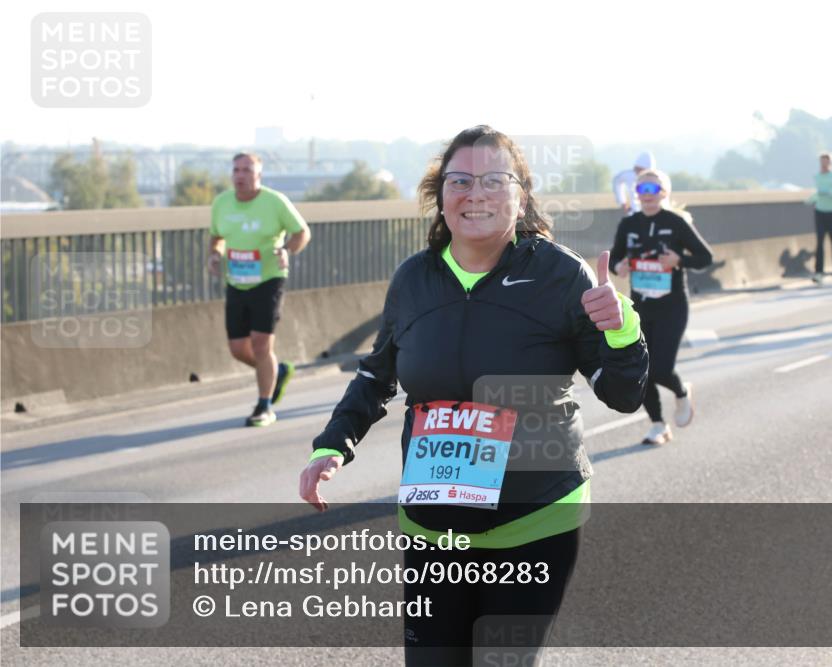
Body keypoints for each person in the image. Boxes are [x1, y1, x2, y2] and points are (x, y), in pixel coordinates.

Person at [300, 126, 648, 666]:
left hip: (535, 518)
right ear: (440, 196)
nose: (474, 193)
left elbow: (622, 395)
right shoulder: (414, 279)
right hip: (434, 526)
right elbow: (376, 376)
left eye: (493, 180)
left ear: (521, 197)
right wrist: (331, 446)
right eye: (459, 181)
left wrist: (622, 329)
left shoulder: (561, 276)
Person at [609, 168, 713, 445]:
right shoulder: (628, 224)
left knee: (661, 368)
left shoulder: (675, 222)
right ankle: (658, 425)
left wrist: (679, 260)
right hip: (640, 307)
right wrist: (618, 266)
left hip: (672, 305)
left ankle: (681, 392)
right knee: (641, 370)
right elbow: (614, 259)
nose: (647, 195)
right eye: (641, 189)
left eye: (653, 189)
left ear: (664, 192)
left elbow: (705, 257)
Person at [208, 152, 310, 426]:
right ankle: (278, 371)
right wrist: (215, 255)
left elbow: (302, 232)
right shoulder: (222, 203)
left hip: (269, 279)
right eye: (236, 170)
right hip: (236, 281)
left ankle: (264, 406)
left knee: (261, 343)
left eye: (247, 170)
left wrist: (287, 250)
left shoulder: (274, 202)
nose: (240, 175)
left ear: (258, 175)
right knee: (237, 348)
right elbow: (216, 237)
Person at [806, 152, 832, 284]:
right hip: (820, 211)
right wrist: (812, 198)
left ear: (830, 162)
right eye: (822, 161)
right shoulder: (817, 176)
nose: (824, 164)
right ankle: (819, 272)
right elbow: (817, 193)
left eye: (826, 161)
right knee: (820, 242)